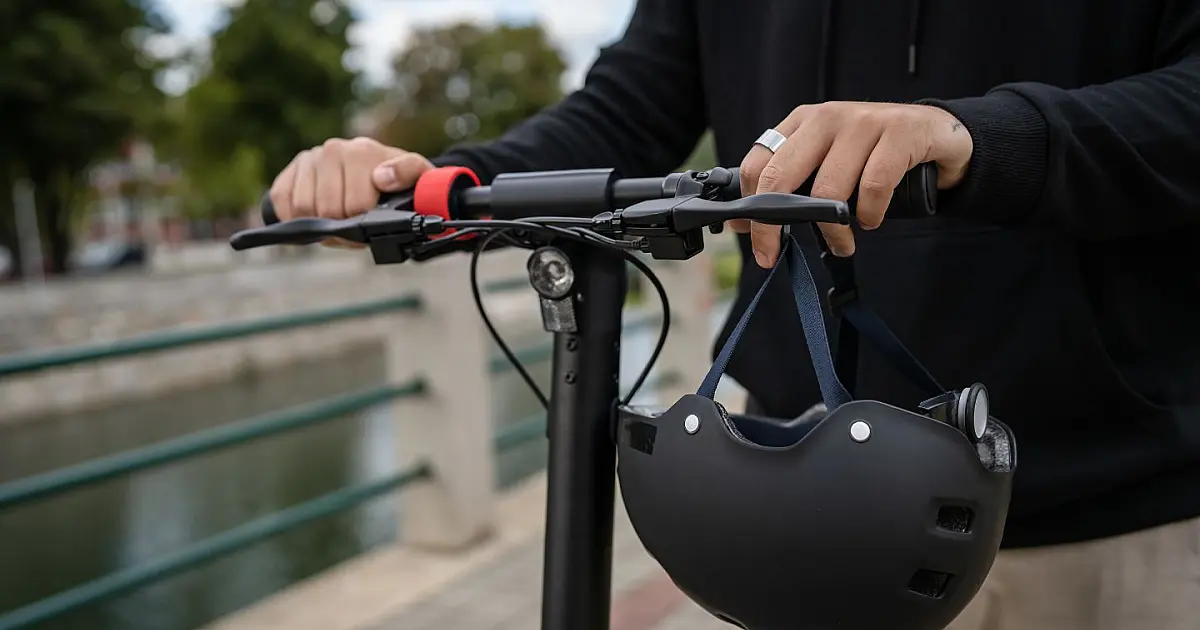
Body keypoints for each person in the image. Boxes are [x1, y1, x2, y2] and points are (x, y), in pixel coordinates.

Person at [267, 1, 1200, 628]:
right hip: (791, 515)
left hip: (1107, 513)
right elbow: (630, 107)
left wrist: (980, 138)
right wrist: (433, 187)